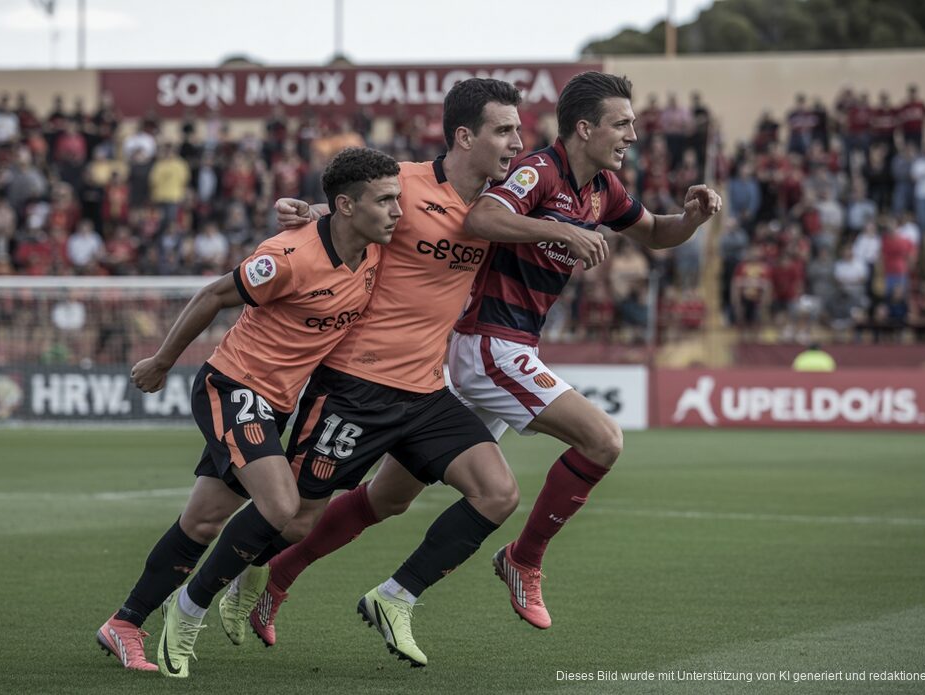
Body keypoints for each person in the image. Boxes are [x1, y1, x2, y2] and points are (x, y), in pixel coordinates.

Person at [237, 73, 715, 648]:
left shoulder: (604, 188)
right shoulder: (538, 172)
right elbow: (472, 216)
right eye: (622, 123)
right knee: (603, 440)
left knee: (388, 498)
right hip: (489, 341)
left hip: (487, 351)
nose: (633, 134)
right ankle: (521, 559)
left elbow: (656, 233)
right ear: (584, 128)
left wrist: (691, 218)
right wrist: (559, 228)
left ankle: (283, 575)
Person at [224, 79, 577, 669]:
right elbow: (346, 218)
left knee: (496, 493)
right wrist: (306, 212)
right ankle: (216, 587)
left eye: (519, 130)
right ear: (465, 136)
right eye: (504, 130)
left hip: (426, 389)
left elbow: (593, 209)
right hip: (355, 386)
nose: (518, 143)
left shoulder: (502, 207)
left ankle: (395, 597)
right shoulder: (407, 184)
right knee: (295, 516)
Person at [94, 147, 399, 678]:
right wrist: (162, 361)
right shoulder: (288, 257)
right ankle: (192, 606)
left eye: (398, 197)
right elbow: (214, 294)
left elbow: (362, 215)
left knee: (205, 519)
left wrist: (313, 209)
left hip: (274, 403)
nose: (398, 209)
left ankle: (125, 623)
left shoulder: (371, 247)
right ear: (348, 206)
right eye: (386, 200)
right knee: (282, 504)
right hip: (232, 386)